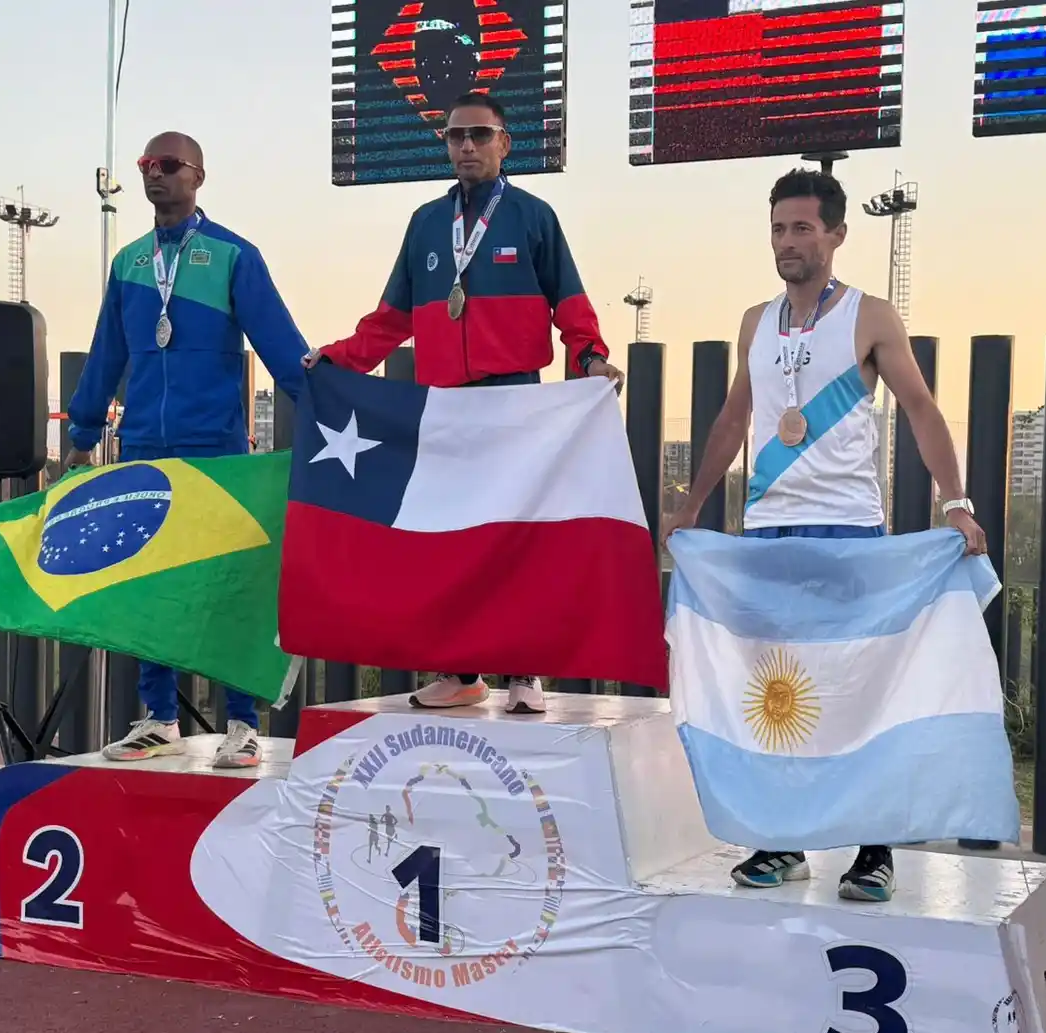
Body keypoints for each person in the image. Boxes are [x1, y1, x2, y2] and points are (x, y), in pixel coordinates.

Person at [663, 168, 987, 903]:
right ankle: (784, 841)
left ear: (836, 234)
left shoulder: (871, 316)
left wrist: (956, 502)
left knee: (855, 688)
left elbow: (922, 409)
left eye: (803, 228)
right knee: (779, 687)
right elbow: (733, 420)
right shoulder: (755, 321)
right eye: (779, 228)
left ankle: (874, 851)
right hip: (770, 529)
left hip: (846, 527)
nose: (788, 241)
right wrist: (692, 506)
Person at [303, 91, 621, 717]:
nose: (467, 146)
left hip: (513, 401)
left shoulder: (533, 216)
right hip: (445, 408)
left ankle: (524, 671)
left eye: (479, 134)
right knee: (454, 545)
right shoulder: (426, 222)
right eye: (455, 136)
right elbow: (390, 319)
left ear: (505, 143)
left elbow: (571, 306)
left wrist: (590, 358)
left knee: (514, 541)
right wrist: (339, 360)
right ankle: (462, 672)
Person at [65, 131, 313, 770]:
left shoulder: (234, 256)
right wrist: (83, 433)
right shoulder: (129, 263)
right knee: (152, 583)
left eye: (169, 165)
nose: (155, 174)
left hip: (216, 449)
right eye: (146, 165)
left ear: (198, 176)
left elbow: (281, 344)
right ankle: (159, 719)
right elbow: (107, 352)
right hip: (143, 449)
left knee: (227, 588)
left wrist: (328, 411)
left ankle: (243, 724)